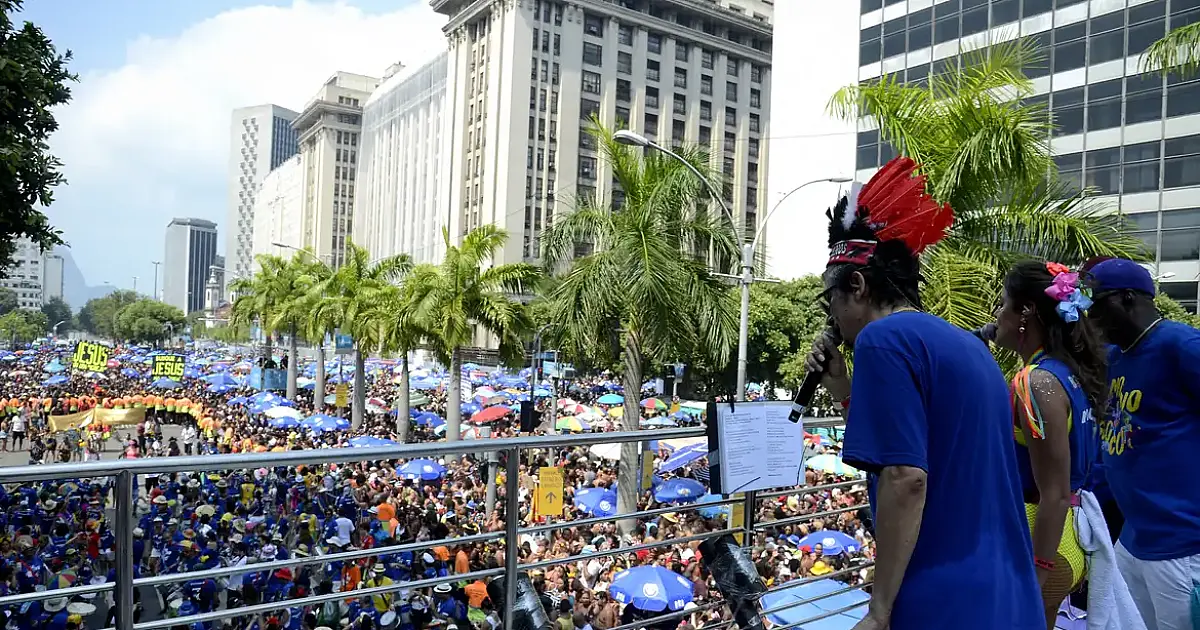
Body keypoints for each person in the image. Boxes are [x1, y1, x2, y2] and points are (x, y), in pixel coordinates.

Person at [805, 156, 1043, 630]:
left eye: (829, 298)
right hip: (1011, 596)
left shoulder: (881, 340)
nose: (831, 313)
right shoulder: (966, 346)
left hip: (945, 598)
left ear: (856, 284)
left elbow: (906, 478)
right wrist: (844, 392)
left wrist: (878, 609)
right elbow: (934, 448)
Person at [1085, 258, 1200, 630]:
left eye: (1095, 306)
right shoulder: (1116, 359)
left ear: (1127, 298)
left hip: (1182, 546)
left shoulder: (1180, 345)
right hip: (1131, 542)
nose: (1089, 318)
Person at [992, 260, 1108, 629]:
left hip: (1038, 539)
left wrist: (1037, 573)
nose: (996, 313)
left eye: (1002, 302)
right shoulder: (1070, 372)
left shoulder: (1034, 382)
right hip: (1067, 536)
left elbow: (1053, 493)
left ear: (1025, 311)